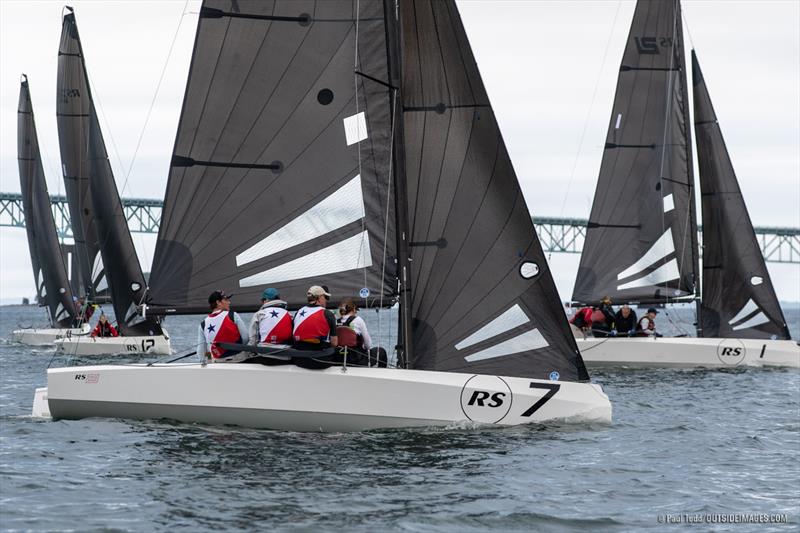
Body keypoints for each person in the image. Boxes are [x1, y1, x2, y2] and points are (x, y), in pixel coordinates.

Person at [197, 290, 249, 363]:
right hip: (238, 359)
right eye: (226, 300)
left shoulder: (203, 324)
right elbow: (246, 338)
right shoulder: (233, 315)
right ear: (218, 302)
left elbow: (202, 351)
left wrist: (208, 361)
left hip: (217, 362)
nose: (229, 302)